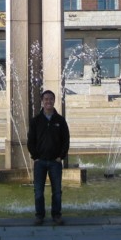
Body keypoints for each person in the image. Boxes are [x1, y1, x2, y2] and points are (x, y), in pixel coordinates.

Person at [27, 89, 70, 226]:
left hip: (55, 161)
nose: (48, 102)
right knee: (38, 191)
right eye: (46, 99)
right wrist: (35, 157)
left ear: (54, 101)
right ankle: (39, 216)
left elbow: (66, 140)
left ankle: (56, 215)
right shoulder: (36, 121)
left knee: (57, 191)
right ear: (42, 101)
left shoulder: (60, 120)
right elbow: (30, 141)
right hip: (40, 162)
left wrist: (60, 156)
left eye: (51, 99)